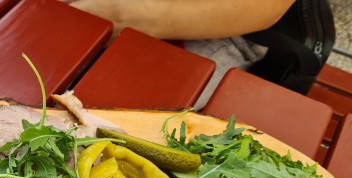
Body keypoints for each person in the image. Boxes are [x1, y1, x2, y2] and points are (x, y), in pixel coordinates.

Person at [62, 0, 297, 108]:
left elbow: (267, 7)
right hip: (121, 14)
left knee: (102, 123)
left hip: (212, 28)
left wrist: (132, 15)